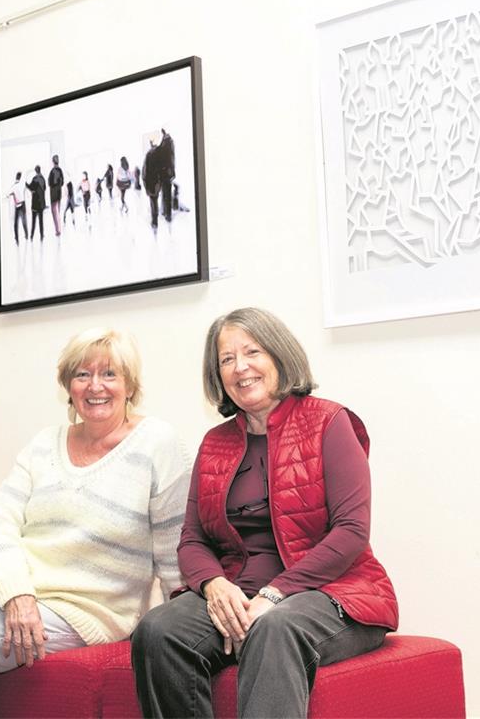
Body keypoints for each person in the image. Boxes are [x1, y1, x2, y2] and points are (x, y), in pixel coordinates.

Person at [0, 328, 192, 719]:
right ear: (67, 386)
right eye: (82, 375)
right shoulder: (44, 444)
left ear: (130, 385)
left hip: (88, 607)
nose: (95, 386)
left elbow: (174, 545)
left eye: (109, 374)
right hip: (23, 581)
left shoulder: (157, 442)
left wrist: (182, 622)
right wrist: (17, 592)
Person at [131, 307, 398, 718]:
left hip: (333, 594)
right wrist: (214, 586)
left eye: (252, 351)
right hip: (240, 589)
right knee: (159, 630)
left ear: (278, 355)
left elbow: (351, 530)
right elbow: (193, 539)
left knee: (273, 627)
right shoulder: (215, 443)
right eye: (226, 359)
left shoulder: (329, 422)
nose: (240, 367)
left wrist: (275, 594)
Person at [155, 128, 175, 222]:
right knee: (166, 193)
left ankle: (168, 214)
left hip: (165, 173)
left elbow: (163, 156)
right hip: (167, 173)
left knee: (166, 194)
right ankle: (166, 213)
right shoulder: (169, 143)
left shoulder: (166, 144)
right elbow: (172, 159)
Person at [142, 139, 160, 229]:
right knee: (155, 201)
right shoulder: (159, 155)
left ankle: (154, 221)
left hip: (150, 183)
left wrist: (145, 185)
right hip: (157, 182)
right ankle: (155, 220)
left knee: (153, 201)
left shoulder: (148, 155)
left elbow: (144, 172)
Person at [26, 165, 47, 240]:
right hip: (41, 204)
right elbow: (44, 188)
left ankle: (31, 236)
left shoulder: (34, 179)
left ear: (35, 171)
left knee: (33, 221)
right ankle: (41, 235)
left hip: (35, 203)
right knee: (41, 221)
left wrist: (26, 184)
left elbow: (31, 187)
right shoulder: (43, 179)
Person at [9, 171, 28, 244]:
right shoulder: (22, 185)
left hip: (17, 206)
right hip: (23, 204)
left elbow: (8, 194)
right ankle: (26, 235)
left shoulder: (14, 186)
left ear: (16, 177)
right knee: (24, 221)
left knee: (16, 223)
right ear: (20, 177)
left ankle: (17, 239)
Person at [48, 155, 64, 235]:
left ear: (53, 162)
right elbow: (62, 183)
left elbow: (50, 183)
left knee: (54, 212)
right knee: (58, 212)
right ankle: (59, 229)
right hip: (59, 193)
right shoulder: (60, 170)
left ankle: (57, 230)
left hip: (53, 195)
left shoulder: (52, 171)